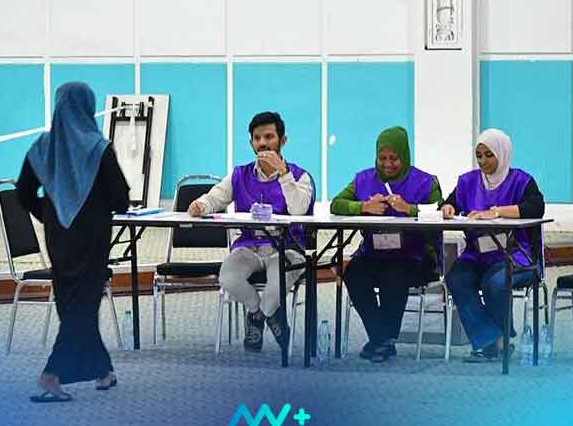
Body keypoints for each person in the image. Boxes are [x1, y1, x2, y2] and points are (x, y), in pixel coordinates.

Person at [17, 82, 130, 403]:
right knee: (83, 304)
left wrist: (49, 214)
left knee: (73, 302)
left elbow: (23, 193)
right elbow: (121, 199)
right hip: (92, 237)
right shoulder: (98, 148)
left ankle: (102, 369)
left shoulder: (42, 146)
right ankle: (51, 374)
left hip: (58, 236)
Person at [187, 111, 315, 353]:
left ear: (283, 140)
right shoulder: (240, 174)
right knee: (228, 277)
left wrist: (284, 174)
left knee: (275, 288)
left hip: (286, 249)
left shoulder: (301, 176)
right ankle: (261, 314)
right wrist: (201, 205)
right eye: (257, 138)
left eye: (269, 137)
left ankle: (261, 315)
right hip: (249, 247)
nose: (263, 143)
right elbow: (216, 197)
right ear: (251, 143)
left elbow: (299, 209)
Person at [330, 126, 442, 363]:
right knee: (353, 273)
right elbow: (336, 204)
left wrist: (409, 209)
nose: (387, 164)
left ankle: (381, 340)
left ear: (405, 156)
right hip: (374, 253)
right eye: (382, 158)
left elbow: (440, 214)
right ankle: (383, 339)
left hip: (415, 256)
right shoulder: (363, 179)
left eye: (394, 158)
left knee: (394, 276)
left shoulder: (426, 182)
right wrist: (363, 207)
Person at [442, 129, 545, 362]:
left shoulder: (522, 181)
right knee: (456, 279)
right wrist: (448, 208)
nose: (483, 161)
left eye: (489, 155)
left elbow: (536, 208)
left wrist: (496, 212)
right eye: (479, 155)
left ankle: (497, 342)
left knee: (496, 282)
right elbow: (450, 203)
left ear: (502, 153)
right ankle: (492, 339)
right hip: (477, 254)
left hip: (514, 254)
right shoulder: (467, 181)